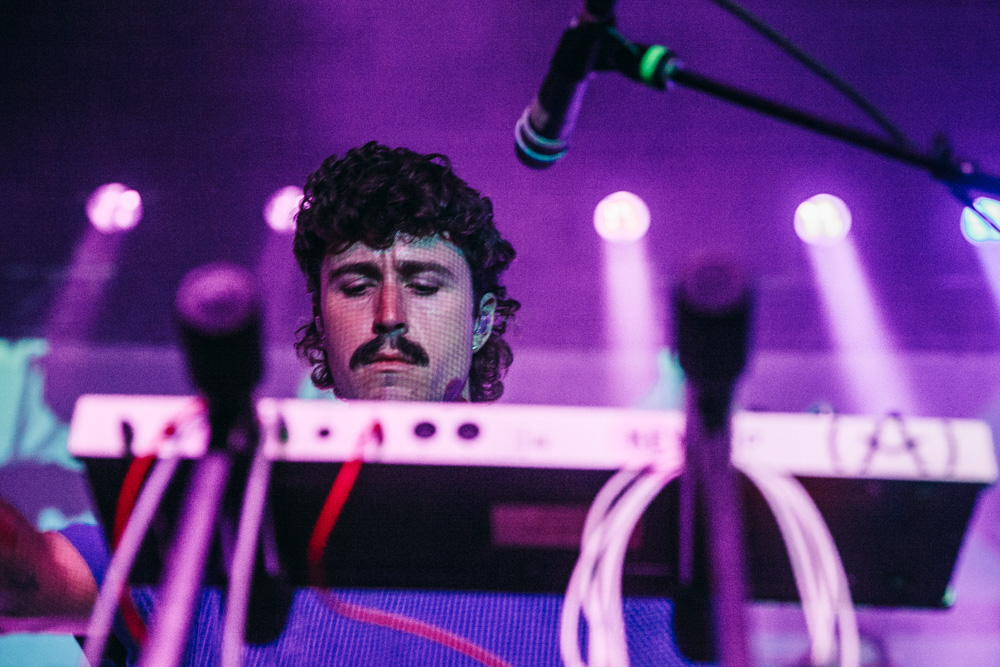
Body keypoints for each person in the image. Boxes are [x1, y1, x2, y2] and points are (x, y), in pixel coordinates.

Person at [1, 143, 688, 666]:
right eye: (357, 284)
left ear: (481, 322)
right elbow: (22, 580)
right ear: (320, 323)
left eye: (424, 283)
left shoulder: (607, 534)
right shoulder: (200, 516)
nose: (389, 313)